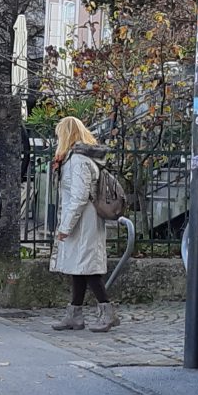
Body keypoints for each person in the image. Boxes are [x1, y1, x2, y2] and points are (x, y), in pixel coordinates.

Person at [49, 116, 119, 333]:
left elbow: (79, 196)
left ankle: (106, 312)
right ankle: (75, 313)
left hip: (83, 220)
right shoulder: (78, 158)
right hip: (84, 219)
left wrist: (65, 228)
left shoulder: (78, 161)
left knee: (88, 268)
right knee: (79, 268)